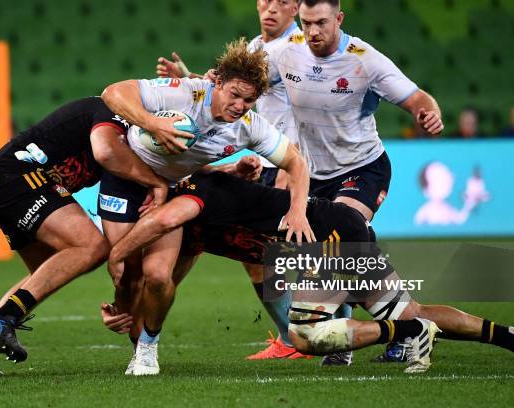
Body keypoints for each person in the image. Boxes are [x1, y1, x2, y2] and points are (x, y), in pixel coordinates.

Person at [103, 170, 514, 374]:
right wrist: (132, 317)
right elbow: (166, 284)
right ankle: (506, 337)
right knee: (410, 309)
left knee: (305, 335)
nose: (145, 206)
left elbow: (159, 223)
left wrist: (116, 253)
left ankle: (408, 334)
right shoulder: (190, 232)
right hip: (342, 230)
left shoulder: (194, 194)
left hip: (328, 236)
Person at [99, 38, 313, 375]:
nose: (240, 105)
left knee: (157, 276)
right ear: (217, 83)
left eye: (249, 99)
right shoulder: (184, 92)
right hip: (126, 178)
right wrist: (154, 124)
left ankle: (147, 351)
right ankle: (124, 314)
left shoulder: (249, 127)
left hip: (172, 189)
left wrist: (297, 210)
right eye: (234, 94)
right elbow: (112, 93)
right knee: (127, 275)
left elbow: (296, 163)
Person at [265, 0, 444, 364]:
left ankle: (397, 333)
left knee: (342, 244)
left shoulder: (366, 60)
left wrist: (430, 113)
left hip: (362, 169)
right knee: (329, 255)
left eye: (321, 23)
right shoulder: (286, 53)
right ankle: (387, 329)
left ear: (339, 19)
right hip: (313, 175)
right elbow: (247, 81)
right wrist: (200, 83)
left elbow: (416, 98)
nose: (312, 32)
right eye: (306, 23)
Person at [0, 97, 169, 377]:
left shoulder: (130, 142)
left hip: (4, 181)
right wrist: (156, 183)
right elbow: (105, 152)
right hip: (19, 177)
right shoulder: (111, 115)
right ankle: (4, 317)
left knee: (45, 275)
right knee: (93, 247)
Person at [155, 0, 307, 360]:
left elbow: (307, 111)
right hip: (267, 160)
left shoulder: (299, 51)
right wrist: (191, 79)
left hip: (291, 160)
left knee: (303, 250)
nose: (271, 8)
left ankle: (368, 328)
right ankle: (294, 339)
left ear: (296, 8)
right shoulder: (256, 47)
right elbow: (230, 92)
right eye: (266, 0)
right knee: (259, 254)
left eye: (282, 2)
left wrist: (290, 170)